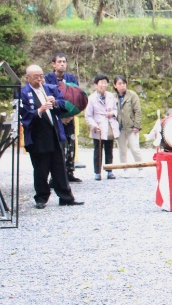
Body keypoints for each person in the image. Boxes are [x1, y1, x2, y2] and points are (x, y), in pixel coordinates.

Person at [19, 65, 84, 209]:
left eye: (41, 76)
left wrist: (54, 102)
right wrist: (40, 110)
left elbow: (63, 103)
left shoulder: (50, 88)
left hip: (54, 131)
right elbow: (23, 115)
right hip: (37, 135)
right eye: (36, 77)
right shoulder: (24, 92)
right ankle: (41, 197)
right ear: (27, 78)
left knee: (59, 167)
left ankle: (66, 197)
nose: (39, 79)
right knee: (41, 168)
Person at [42, 53, 82, 183]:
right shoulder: (47, 79)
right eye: (59, 62)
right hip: (54, 117)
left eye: (64, 61)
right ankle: (56, 176)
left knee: (70, 144)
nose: (62, 64)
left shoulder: (71, 78)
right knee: (58, 146)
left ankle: (69, 172)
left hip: (69, 116)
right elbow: (45, 96)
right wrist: (59, 117)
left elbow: (77, 97)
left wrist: (71, 115)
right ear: (53, 64)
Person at [84, 74, 119, 181]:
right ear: (95, 85)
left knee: (109, 150)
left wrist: (112, 113)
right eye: (101, 83)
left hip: (109, 126)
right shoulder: (91, 98)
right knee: (98, 150)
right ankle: (97, 172)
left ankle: (109, 170)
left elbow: (116, 110)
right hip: (98, 127)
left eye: (105, 82)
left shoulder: (110, 96)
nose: (103, 85)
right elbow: (88, 115)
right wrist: (94, 125)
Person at [114, 75, 143, 176]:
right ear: (115, 85)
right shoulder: (113, 97)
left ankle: (140, 168)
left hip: (131, 126)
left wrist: (137, 125)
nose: (122, 86)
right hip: (119, 127)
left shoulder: (132, 95)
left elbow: (138, 111)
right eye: (119, 84)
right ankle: (125, 169)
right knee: (122, 150)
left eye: (123, 83)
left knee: (135, 148)